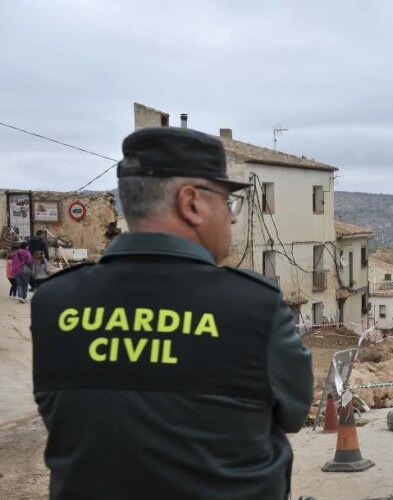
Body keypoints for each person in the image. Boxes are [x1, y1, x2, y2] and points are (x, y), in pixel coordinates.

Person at [31, 127, 313, 500]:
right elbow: (293, 415)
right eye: (228, 203)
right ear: (191, 203)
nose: (231, 218)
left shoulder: (53, 302)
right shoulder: (254, 307)